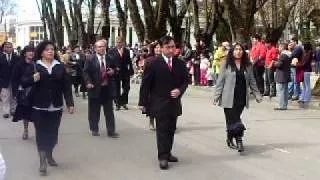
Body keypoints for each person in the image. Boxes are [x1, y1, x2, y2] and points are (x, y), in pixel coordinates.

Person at [21, 41, 74, 176]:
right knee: (41, 134)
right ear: (41, 52)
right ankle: (42, 162)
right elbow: (24, 82)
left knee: (53, 135)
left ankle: (50, 154)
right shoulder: (35, 66)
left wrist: (70, 103)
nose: (50, 51)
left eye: (52, 49)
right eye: (47, 50)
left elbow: (66, 87)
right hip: (39, 107)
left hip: (56, 107)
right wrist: (33, 78)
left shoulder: (60, 67)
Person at [139, 36, 189, 170]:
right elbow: (146, 84)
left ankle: (168, 152)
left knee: (171, 129)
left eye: (173, 46)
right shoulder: (153, 63)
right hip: (159, 103)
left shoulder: (180, 63)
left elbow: (186, 81)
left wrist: (179, 90)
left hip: (174, 102)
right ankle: (162, 157)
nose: (171, 49)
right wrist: (143, 102)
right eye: (168, 47)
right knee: (162, 130)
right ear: (161, 48)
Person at [213, 43, 262, 153]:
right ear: (232, 51)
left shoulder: (247, 65)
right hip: (228, 97)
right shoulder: (226, 64)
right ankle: (239, 140)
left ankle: (229, 138)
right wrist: (216, 96)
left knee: (232, 120)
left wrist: (257, 95)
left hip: (241, 97)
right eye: (236, 49)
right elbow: (220, 81)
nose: (238, 51)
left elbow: (252, 82)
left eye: (240, 49)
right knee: (236, 120)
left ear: (243, 52)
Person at [83, 39, 119, 138]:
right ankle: (94, 129)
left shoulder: (110, 58)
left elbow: (116, 69)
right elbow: (85, 72)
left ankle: (111, 131)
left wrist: (113, 71)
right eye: (99, 47)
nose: (101, 48)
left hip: (107, 89)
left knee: (109, 112)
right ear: (95, 48)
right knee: (94, 111)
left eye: (103, 46)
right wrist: (88, 82)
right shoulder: (90, 59)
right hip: (95, 88)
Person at [11, 45, 35, 140]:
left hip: (36, 92)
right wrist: (15, 93)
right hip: (24, 93)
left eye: (33, 51)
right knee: (26, 113)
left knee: (37, 112)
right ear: (25, 53)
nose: (31, 53)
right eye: (29, 51)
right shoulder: (19, 65)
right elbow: (14, 80)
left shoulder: (37, 63)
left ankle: (39, 131)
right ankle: (25, 130)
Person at [139, 41, 161, 131]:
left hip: (163, 85)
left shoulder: (167, 59)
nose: (158, 49)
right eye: (156, 48)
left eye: (160, 47)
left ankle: (161, 123)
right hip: (152, 86)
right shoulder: (149, 60)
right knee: (152, 105)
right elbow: (145, 78)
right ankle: (151, 121)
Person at [108, 36, 134, 111]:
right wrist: (112, 69)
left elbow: (129, 62)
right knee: (116, 89)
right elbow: (109, 62)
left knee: (126, 88)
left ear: (123, 43)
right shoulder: (111, 51)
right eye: (117, 42)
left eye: (120, 42)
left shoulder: (127, 51)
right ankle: (117, 104)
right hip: (116, 72)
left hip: (125, 72)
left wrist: (131, 70)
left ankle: (124, 102)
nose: (118, 44)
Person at [0, 42, 20, 118]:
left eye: (10, 47)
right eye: (7, 47)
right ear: (4, 48)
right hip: (4, 80)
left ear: (12, 48)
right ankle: (6, 112)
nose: (8, 48)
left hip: (14, 79)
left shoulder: (17, 57)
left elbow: (19, 69)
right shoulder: (1, 57)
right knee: (5, 96)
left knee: (13, 95)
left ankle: (13, 110)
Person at [274, 43, 291, 110]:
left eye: (279, 47)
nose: (278, 48)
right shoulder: (288, 55)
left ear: (282, 47)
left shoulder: (282, 55)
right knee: (285, 91)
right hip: (286, 75)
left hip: (281, 76)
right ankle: (285, 105)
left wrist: (275, 63)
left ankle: (281, 106)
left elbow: (279, 65)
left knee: (280, 91)